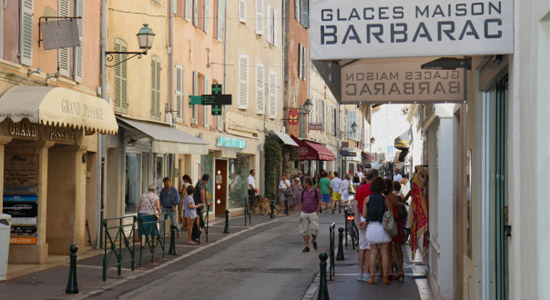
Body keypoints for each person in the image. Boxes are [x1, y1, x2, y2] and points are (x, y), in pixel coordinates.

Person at [362, 176, 392, 285]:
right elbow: (389, 213)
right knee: (384, 253)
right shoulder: (385, 199)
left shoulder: (367, 199)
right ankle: (385, 277)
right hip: (382, 228)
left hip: (371, 228)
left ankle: (371, 277)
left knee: (373, 252)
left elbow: (364, 214)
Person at [353, 169, 378, 282]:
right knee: (369, 247)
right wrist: (366, 221)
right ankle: (367, 272)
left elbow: (355, 205)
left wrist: (358, 220)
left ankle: (359, 272)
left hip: (361, 218)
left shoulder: (360, 188)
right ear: (374, 177)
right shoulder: (374, 190)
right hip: (370, 219)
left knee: (362, 246)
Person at [405, 166, 429, 261]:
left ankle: (424, 253)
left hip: (420, 201)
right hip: (416, 201)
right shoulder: (419, 173)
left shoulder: (422, 174)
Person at [386, 179, 406, 281]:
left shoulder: (387, 198)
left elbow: (390, 214)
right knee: (398, 248)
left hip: (391, 224)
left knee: (388, 248)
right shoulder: (396, 197)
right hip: (398, 224)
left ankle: (389, 271)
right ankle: (401, 269)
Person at [299, 178, 321, 252]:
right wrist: (301, 212)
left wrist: (317, 211)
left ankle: (313, 240)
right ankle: (307, 246)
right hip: (304, 212)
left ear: (308, 183)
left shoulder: (316, 191)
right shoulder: (302, 192)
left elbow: (319, 201)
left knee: (315, 229)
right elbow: (300, 202)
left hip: (313, 212)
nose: (303, 184)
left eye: (304, 183)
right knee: (305, 230)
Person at [191, 174, 210, 242]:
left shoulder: (202, 183)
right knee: (199, 221)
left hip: (199, 204)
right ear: (207, 180)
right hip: (197, 204)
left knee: (199, 221)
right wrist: (203, 203)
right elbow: (202, 193)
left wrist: (206, 202)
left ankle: (197, 235)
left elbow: (205, 193)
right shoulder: (201, 183)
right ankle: (195, 236)